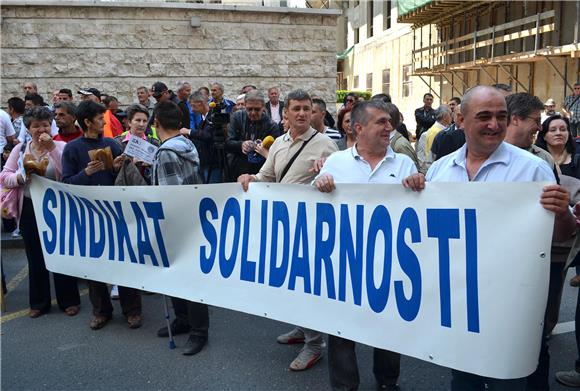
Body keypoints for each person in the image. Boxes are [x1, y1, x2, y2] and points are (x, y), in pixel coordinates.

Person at [406, 85, 575, 390]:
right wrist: (412, 193)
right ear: (462, 118)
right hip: (459, 301)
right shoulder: (441, 171)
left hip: (510, 302)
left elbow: (559, 236)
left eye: (501, 116)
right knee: (463, 378)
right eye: (484, 116)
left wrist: (563, 214)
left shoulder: (533, 169)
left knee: (508, 382)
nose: (494, 125)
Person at [314, 100, 416, 391]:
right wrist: (319, 185)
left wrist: (420, 185)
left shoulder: (404, 163)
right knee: (342, 330)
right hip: (345, 263)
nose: (389, 127)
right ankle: (345, 387)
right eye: (381, 122)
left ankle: (387, 382)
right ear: (358, 128)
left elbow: (420, 207)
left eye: (390, 122)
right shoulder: (336, 163)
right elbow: (310, 211)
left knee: (388, 328)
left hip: (390, 261)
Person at [238, 89, 338, 371]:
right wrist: (250, 177)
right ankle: (302, 328)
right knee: (290, 282)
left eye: (307, 108)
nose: (302, 113)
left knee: (308, 286)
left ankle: (315, 344)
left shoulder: (325, 145)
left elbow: (340, 182)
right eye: (296, 109)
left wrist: (329, 180)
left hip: (311, 226)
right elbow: (266, 176)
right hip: (283, 225)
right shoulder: (280, 143)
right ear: (286, 113)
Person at [61, 100, 142, 330]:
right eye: (99, 119)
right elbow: (66, 183)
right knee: (94, 265)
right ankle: (101, 311)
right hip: (89, 215)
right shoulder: (72, 149)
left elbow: (120, 175)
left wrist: (118, 165)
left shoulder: (111, 143)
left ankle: (132, 310)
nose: (104, 121)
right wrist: (86, 173)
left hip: (115, 213)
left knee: (125, 263)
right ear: (87, 121)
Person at [0, 106, 81, 318]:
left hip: (57, 207)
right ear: (28, 128)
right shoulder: (20, 150)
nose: (40, 129)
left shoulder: (62, 146)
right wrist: (20, 177)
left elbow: (67, 173)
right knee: (35, 255)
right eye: (36, 126)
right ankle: (39, 302)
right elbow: (4, 176)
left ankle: (69, 300)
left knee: (62, 252)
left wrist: (52, 148)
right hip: (29, 206)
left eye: (45, 124)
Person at [151, 101, 208, 356]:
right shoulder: (187, 144)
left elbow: (169, 196)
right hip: (193, 217)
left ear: (156, 124)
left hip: (177, 223)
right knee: (185, 275)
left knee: (184, 277)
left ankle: (198, 330)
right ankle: (185, 320)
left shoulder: (165, 152)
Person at [226, 90, 279, 181]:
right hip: (238, 170)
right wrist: (241, 144)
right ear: (245, 105)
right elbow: (228, 143)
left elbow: (276, 152)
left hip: (261, 172)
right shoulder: (237, 117)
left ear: (263, 107)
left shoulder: (271, 125)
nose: (253, 113)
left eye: (257, 109)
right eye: (249, 109)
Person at [115, 104, 160, 184]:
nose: (141, 124)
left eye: (145, 121)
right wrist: (118, 166)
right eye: (138, 120)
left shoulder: (154, 143)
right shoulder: (117, 143)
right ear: (129, 122)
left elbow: (160, 171)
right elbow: (112, 173)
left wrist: (151, 165)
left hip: (148, 189)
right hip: (124, 189)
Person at [416, 105, 452, 172]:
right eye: (450, 114)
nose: (452, 116)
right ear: (444, 117)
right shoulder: (437, 133)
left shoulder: (435, 131)